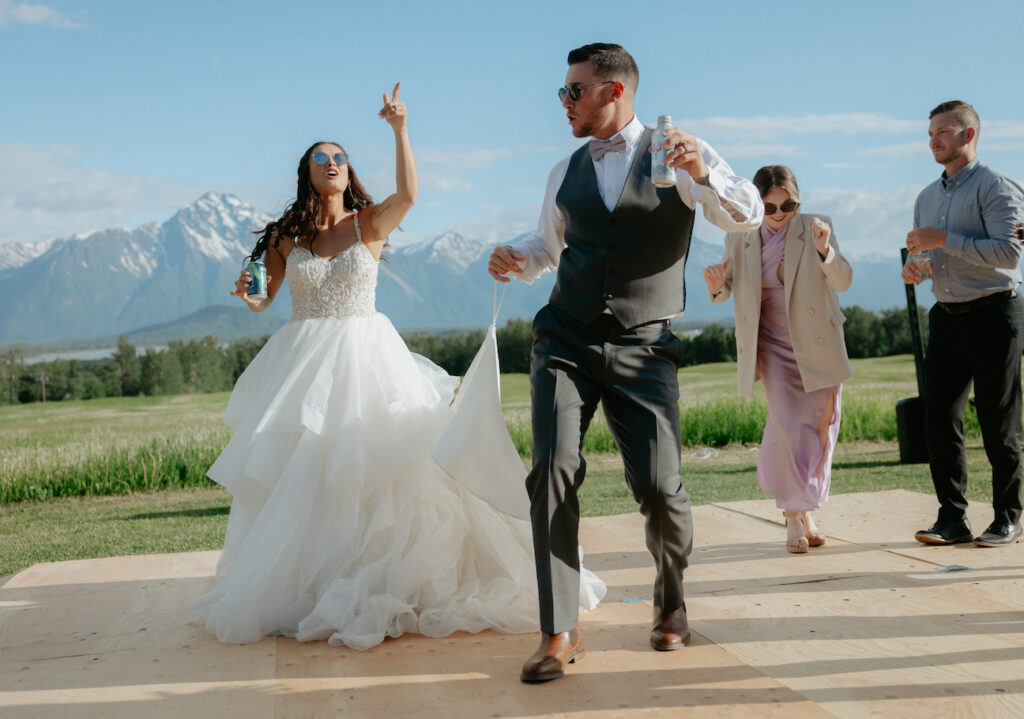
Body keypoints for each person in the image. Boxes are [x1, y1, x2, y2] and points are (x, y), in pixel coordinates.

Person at [191, 84, 604, 650]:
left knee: (380, 469)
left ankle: (386, 577)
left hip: (366, 359)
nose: (333, 164)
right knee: (309, 474)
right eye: (322, 158)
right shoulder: (288, 237)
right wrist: (249, 296)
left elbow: (410, 191)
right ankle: (317, 582)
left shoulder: (370, 224)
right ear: (306, 172)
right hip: (303, 363)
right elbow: (267, 300)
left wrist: (399, 127)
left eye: (340, 158)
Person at [488, 43, 762, 683]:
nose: (563, 103)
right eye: (563, 92)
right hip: (566, 339)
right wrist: (516, 257)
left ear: (613, 91)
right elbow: (549, 243)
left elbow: (746, 215)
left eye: (572, 92)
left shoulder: (680, 154)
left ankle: (671, 603)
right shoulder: (564, 171)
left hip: (645, 345)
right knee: (552, 468)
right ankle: (559, 628)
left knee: (662, 489)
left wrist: (704, 172)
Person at [702, 165, 852, 553]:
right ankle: (791, 517)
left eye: (788, 204)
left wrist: (825, 249)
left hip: (818, 345)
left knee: (820, 432)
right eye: (769, 207)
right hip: (771, 346)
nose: (780, 213)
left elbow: (843, 281)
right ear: (756, 204)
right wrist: (718, 288)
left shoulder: (817, 227)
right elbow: (729, 287)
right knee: (787, 429)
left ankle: (806, 510)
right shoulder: (740, 235)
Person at [902, 100, 1024, 547]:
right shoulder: (926, 198)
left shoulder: (998, 188)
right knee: (939, 421)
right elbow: (928, 257)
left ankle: (1008, 517)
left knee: (999, 422)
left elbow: (1010, 255)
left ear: (968, 135)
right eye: (930, 133)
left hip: (996, 314)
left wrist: (944, 240)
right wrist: (918, 267)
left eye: (943, 131)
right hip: (947, 317)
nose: (933, 140)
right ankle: (952, 519)